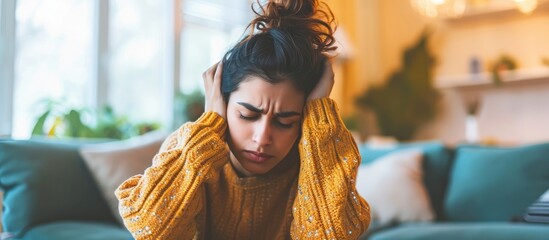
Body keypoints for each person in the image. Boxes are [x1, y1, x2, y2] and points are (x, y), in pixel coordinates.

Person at [115, 0, 370, 239]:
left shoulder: (315, 167)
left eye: (285, 122)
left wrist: (319, 111)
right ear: (223, 103)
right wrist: (210, 122)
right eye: (247, 115)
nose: (262, 138)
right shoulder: (188, 150)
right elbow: (149, 229)